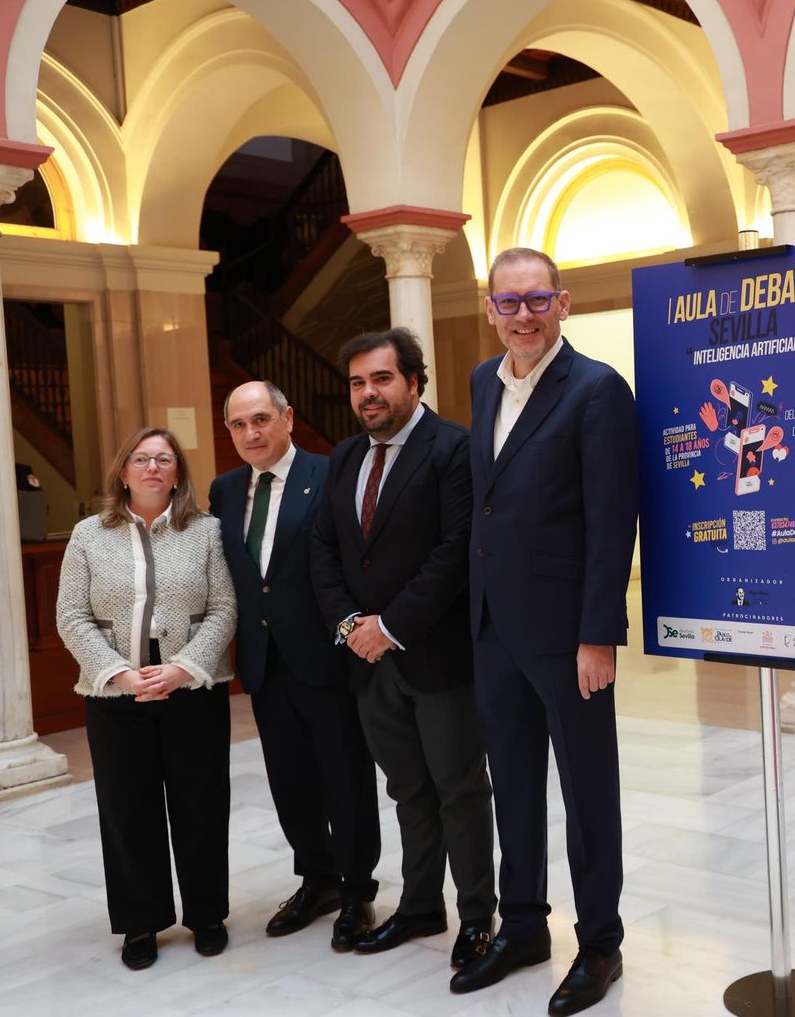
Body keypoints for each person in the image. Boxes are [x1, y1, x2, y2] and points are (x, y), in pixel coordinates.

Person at [450, 247, 637, 1017]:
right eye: (508, 303)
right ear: (489, 309)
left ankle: (600, 943)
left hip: (567, 636)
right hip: (494, 627)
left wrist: (599, 634)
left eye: (537, 301)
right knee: (515, 786)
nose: (522, 316)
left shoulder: (596, 390)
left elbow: (610, 517)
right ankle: (523, 924)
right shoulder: (480, 383)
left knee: (587, 792)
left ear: (563, 304)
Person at [308, 328, 498, 976]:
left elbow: (456, 553)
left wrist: (389, 625)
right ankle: (420, 906)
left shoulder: (453, 450)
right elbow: (326, 551)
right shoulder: (343, 458)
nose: (368, 393)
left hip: (437, 658)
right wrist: (349, 622)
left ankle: (477, 918)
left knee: (459, 791)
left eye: (382, 379)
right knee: (408, 790)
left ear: (414, 383)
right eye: (358, 382)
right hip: (368, 664)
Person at [55, 427, 237, 970]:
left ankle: (206, 915)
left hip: (192, 688)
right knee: (127, 808)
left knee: (201, 804)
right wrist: (118, 674)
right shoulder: (89, 534)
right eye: (142, 459)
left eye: (164, 459)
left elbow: (226, 608)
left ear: (178, 473)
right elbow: (71, 614)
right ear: (123, 471)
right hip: (116, 694)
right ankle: (141, 920)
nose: (153, 467)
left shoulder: (206, 531)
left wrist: (183, 668)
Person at [209, 380, 381, 949]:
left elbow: (351, 563)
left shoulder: (330, 473)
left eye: (261, 419)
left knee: (345, 781)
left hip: (325, 657)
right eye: (239, 425)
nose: (251, 433)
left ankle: (357, 891)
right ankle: (317, 879)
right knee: (290, 782)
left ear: (287, 417)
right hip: (263, 664)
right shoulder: (226, 490)